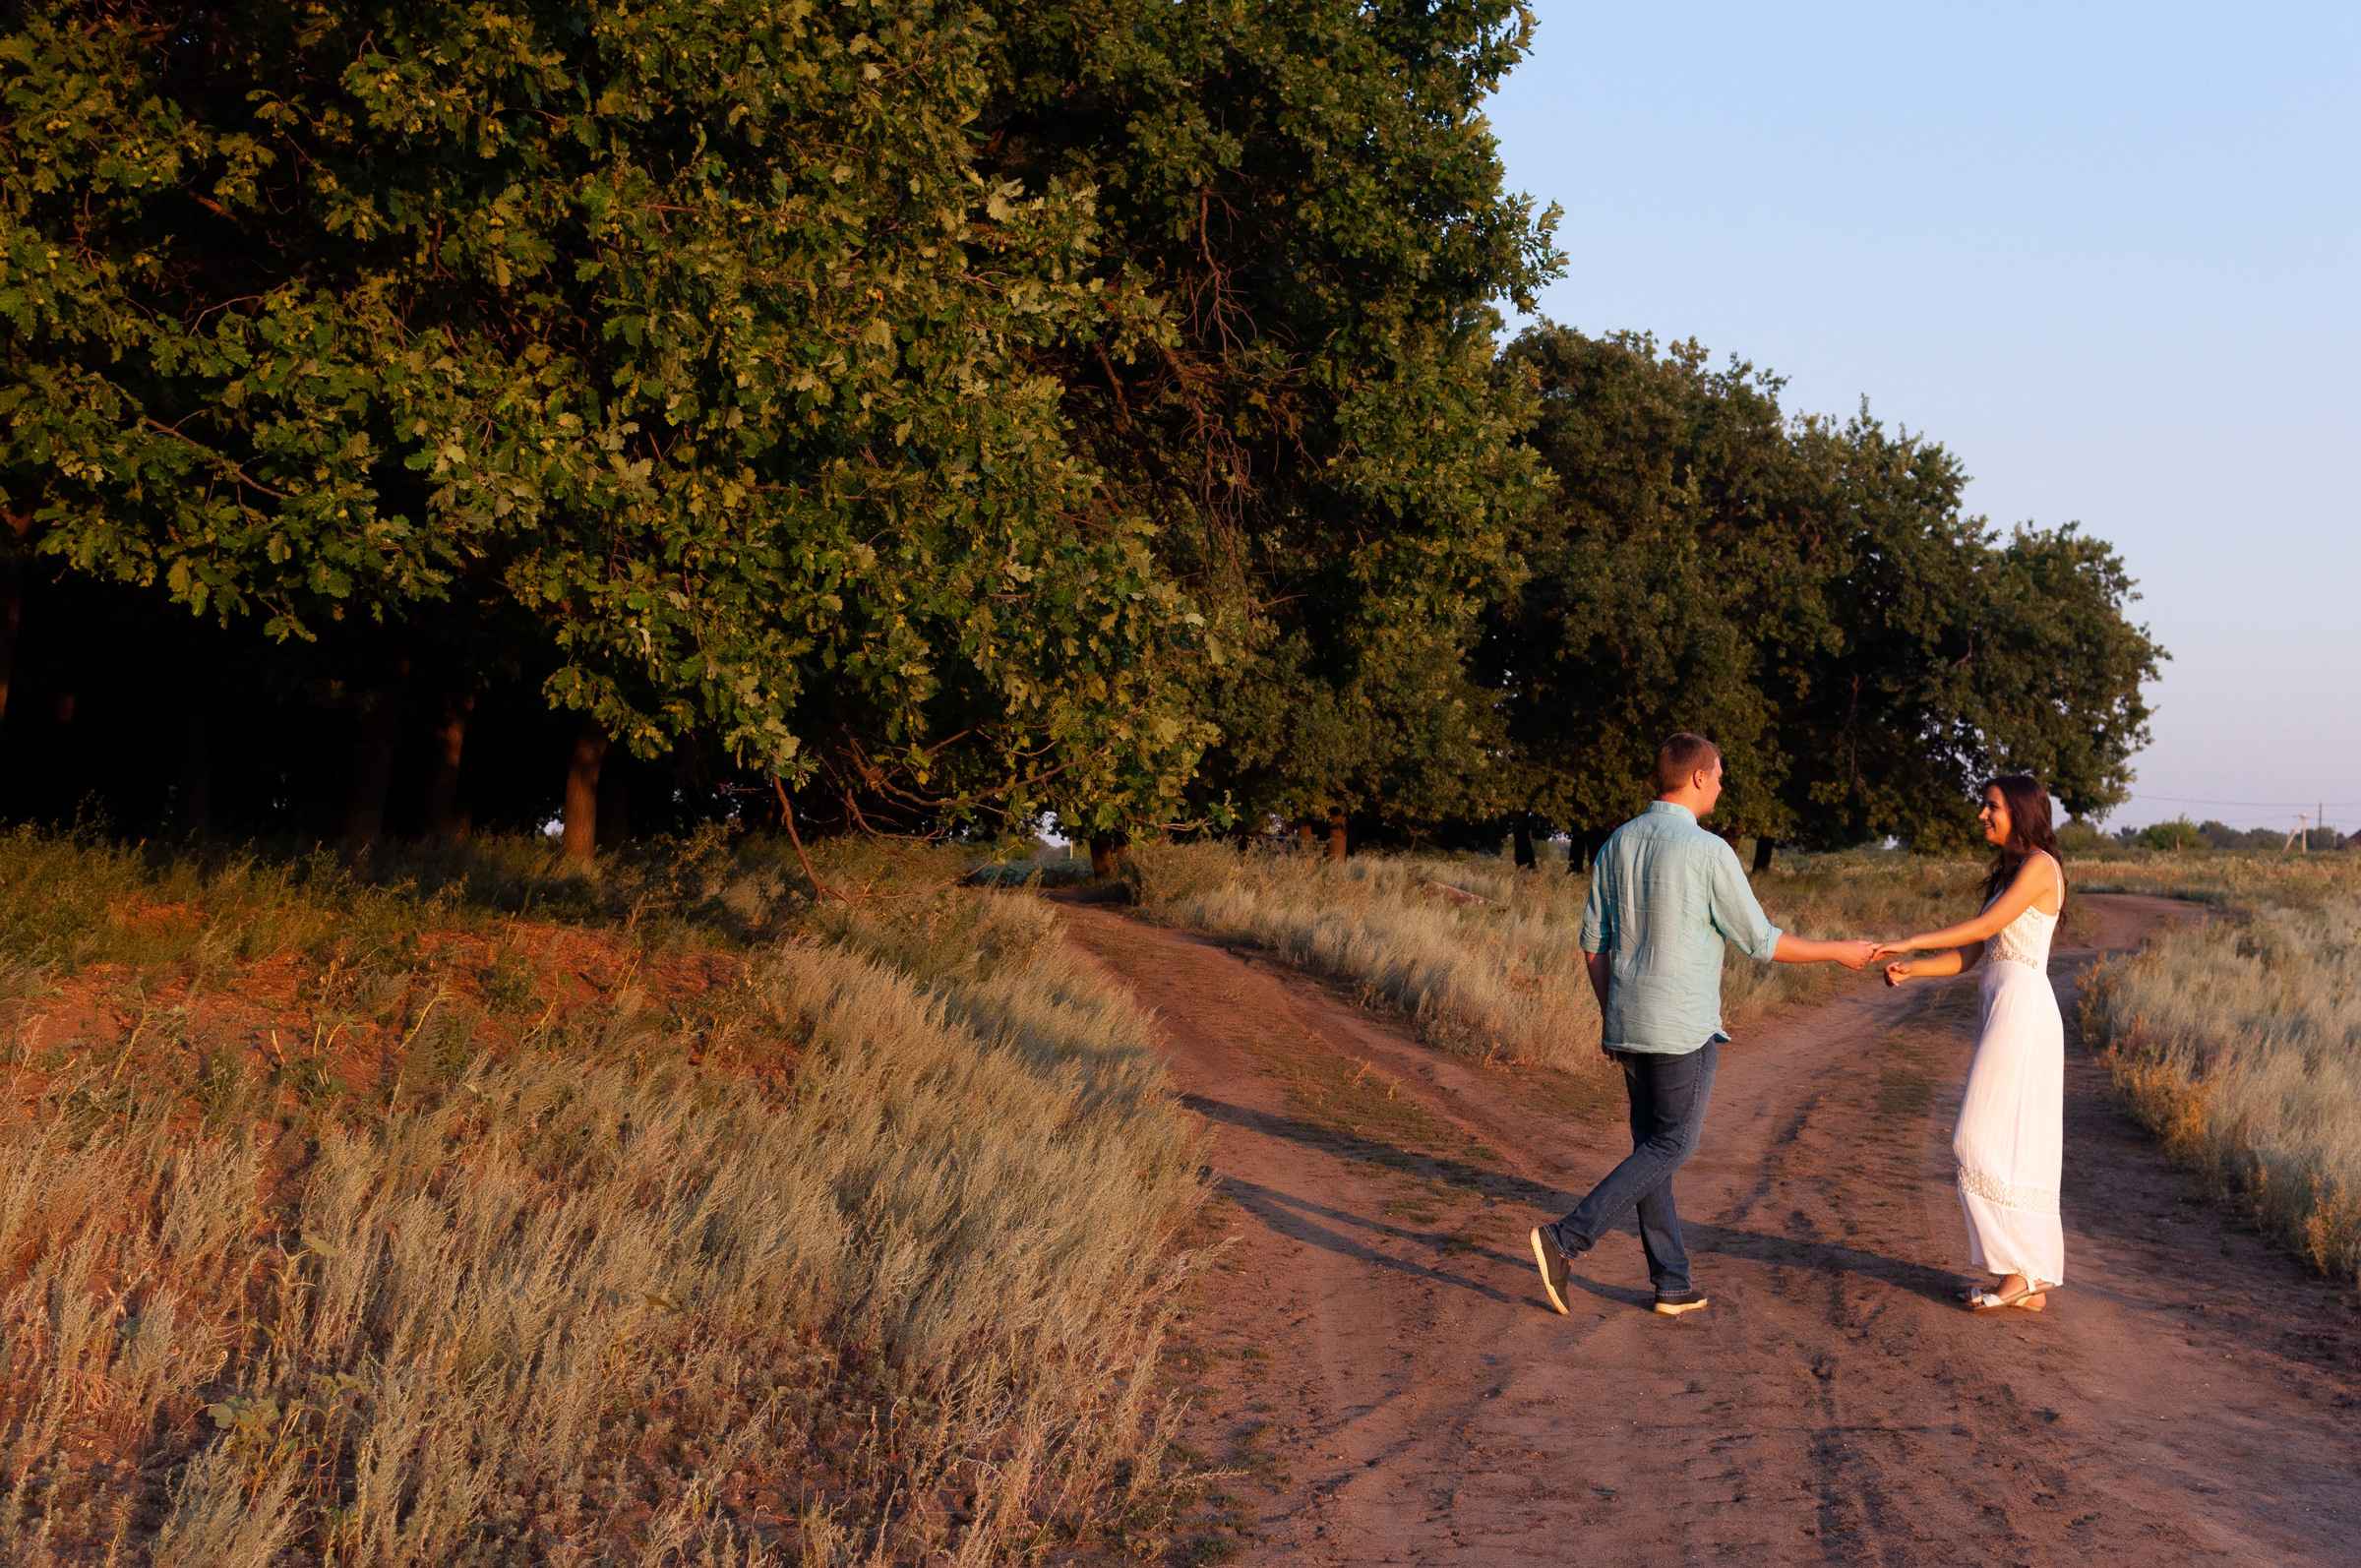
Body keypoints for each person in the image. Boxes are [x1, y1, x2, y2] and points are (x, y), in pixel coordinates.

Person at [1530, 734, 1875, 1318]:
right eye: (1718, 774)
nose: (1721, 783)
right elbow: (1760, 942)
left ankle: (1671, 1281)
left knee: (1651, 1152)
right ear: (1695, 777)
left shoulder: (1617, 844)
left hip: (1629, 1022)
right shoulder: (1709, 851)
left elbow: (1593, 945)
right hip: (1681, 1028)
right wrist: (1838, 951)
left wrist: (1610, 1011)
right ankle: (1567, 1239)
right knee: (1672, 1146)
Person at [1873, 775, 2067, 1312]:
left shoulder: (2040, 867)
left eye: (1993, 806)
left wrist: (1910, 937)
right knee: (2010, 1144)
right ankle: (2024, 1276)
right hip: (2004, 1007)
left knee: (1974, 1139)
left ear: (2022, 812)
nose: (1982, 814)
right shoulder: (2012, 871)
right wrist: (1914, 969)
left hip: (2024, 1012)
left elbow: (1983, 925)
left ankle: (2019, 1271)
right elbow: (1977, 951)